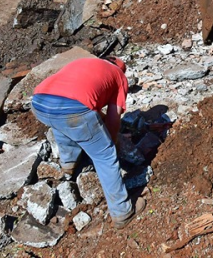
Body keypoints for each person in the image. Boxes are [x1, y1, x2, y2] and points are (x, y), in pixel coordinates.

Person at [31, 56, 138, 229]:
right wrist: (111, 143)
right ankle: (122, 212)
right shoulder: (119, 75)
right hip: (74, 108)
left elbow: (82, 98)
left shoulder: (82, 62)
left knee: (62, 125)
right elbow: (113, 118)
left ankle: (68, 165)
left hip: (39, 103)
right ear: (121, 68)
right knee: (104, 156)